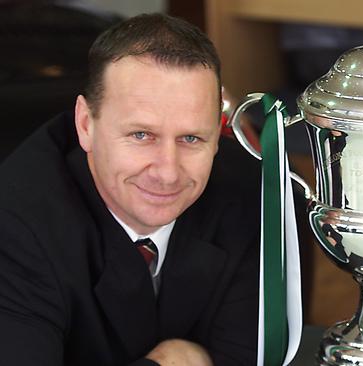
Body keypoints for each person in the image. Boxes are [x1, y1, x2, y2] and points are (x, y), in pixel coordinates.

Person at [0, 13, 261, 366]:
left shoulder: (253, 194)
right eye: (141, 135)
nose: (168, 172)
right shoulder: (15, 226)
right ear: (85, 124)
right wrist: (175, 360)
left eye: (191, 138)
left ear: (216, 134)